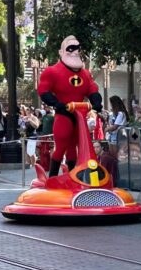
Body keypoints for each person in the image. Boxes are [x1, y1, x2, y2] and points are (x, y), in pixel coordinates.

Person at [37, 35, 103, 178]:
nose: (75, 51)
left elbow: (92, 89)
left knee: (74, 148)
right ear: (62, 52)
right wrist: (56, 103)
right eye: (70, 48)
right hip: (64, 115)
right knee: (61, 148)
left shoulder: (85, 74)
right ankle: (53, 178)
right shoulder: (52, 71)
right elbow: (43, 90)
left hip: (79, 116)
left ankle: (74, 177)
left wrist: (97, 101)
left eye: (77, 48)